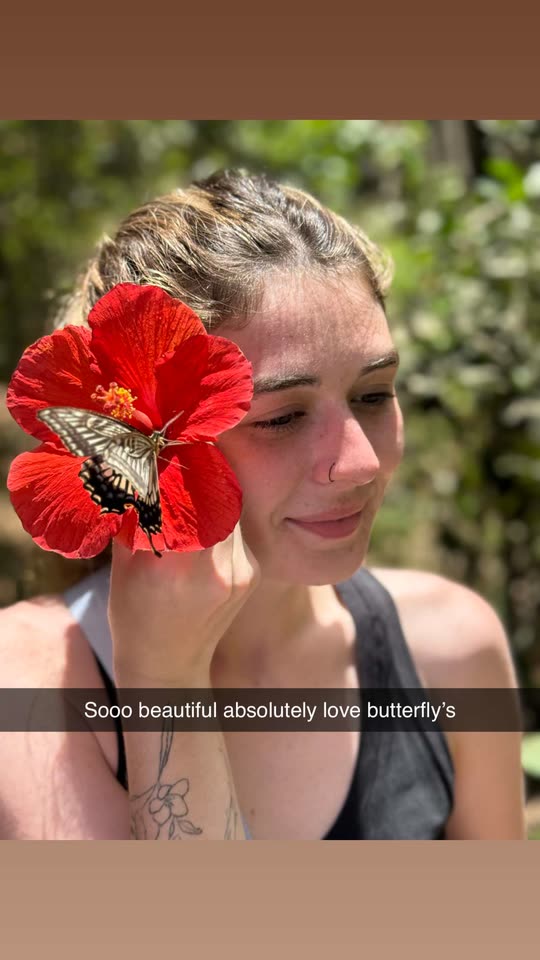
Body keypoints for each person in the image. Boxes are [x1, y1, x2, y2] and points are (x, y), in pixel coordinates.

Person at [0, 169, 525, 840]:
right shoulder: (31, 691)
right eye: (280, 418)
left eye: (373, 395)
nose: (361, 462)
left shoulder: (452, 650)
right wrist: (164, 680)